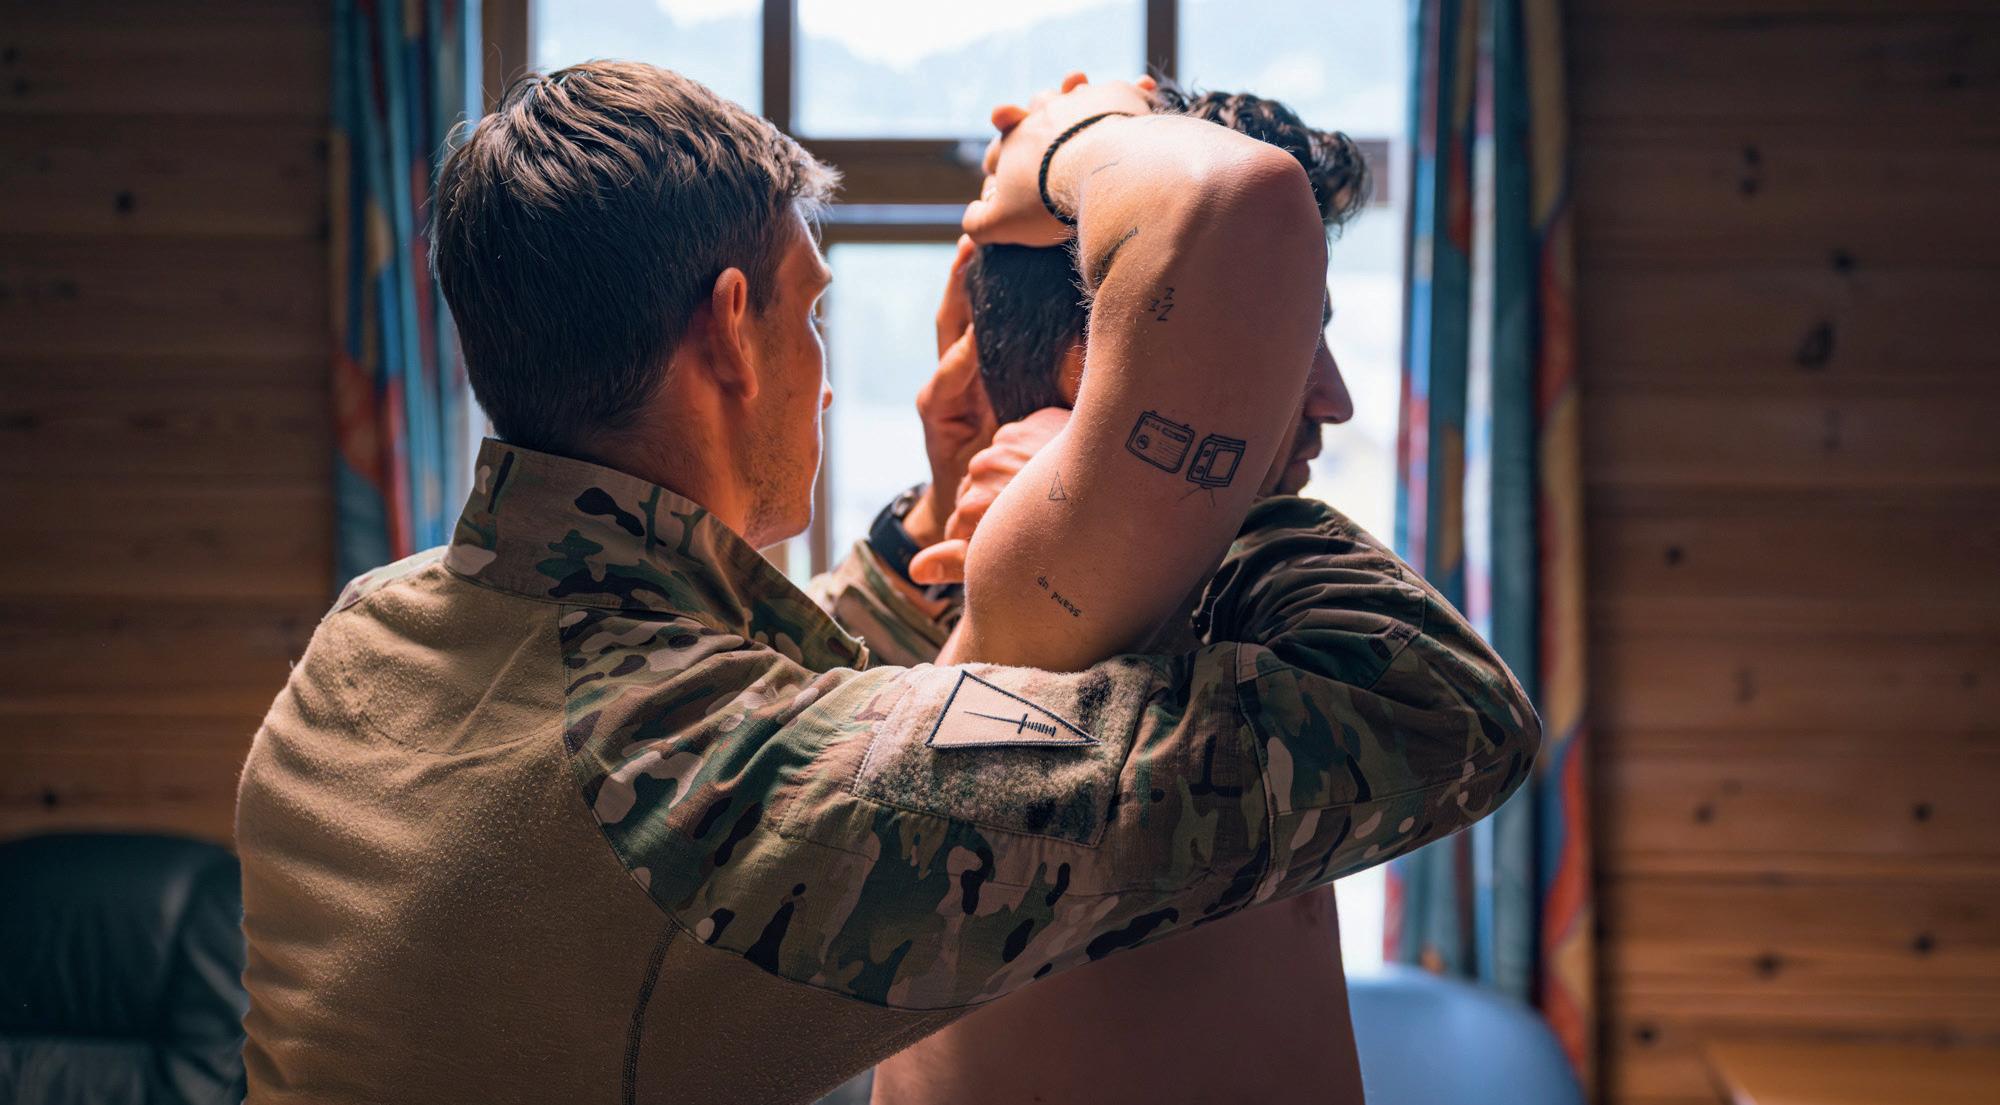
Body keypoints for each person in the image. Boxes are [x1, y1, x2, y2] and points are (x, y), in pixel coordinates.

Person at [234, 61, 1537, 1105]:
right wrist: (1192, 476)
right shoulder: (695, 788)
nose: (829, 374)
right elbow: (1429, 708)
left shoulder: (367, 640)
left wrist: (941, 521)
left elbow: (764, 707)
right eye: (811, 312)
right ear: (730, 330)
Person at [818, 83, 1378, 1105]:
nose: (1333, 397)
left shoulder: (1155, 613)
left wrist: (944, 511)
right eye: (1296, 334)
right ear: (1114, 377)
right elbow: (1241, 200)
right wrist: (1069, 146)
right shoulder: (1056, 636)